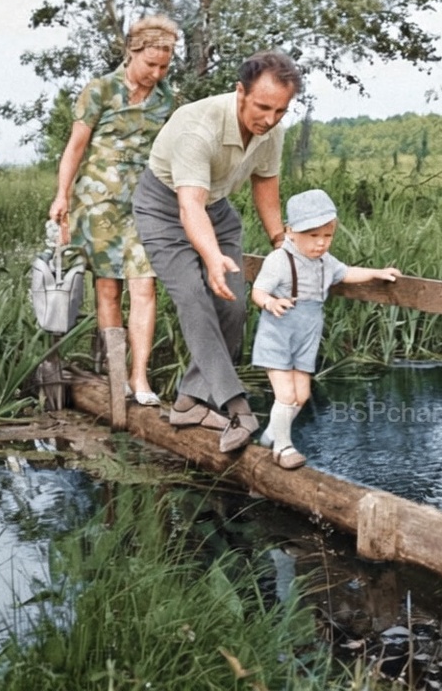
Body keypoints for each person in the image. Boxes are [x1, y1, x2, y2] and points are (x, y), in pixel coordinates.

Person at [132, 50, 301, 452]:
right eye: (262, 108)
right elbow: (189, 206)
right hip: (164, 208)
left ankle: (189, 402)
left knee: (234, 307)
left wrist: (281, 243)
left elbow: (266, 185)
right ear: (240, 92)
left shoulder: (271, 130)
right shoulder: (198, 127)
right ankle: (238, 408)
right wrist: (210, 258)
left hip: (217, 209)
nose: (270, 119)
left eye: (280, 110)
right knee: (194, 297)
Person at [48, 14, 179, 407]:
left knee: (145, 286)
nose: (156, 74)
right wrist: (61, 196)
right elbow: (75, 147)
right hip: (98, 204)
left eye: (164, 66)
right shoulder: (100, 90)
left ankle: (140, 377)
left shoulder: (166, 99)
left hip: (145, 204)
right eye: (150, 64)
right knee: (108, 288)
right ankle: (117, 373)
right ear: (131, 52)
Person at [250, 189, 401, 469]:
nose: (320, 243)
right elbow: (258, 291)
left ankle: (270, 435)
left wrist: (376, 273)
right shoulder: (279, 260)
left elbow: (346, 273)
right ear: (290, 231)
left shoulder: (325, 262)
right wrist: (271, 302)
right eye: (312, 235)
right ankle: (283, 447)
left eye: (327, 236)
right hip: (279, 334)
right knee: (286, 395)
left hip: (307, 335)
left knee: (302, 395)